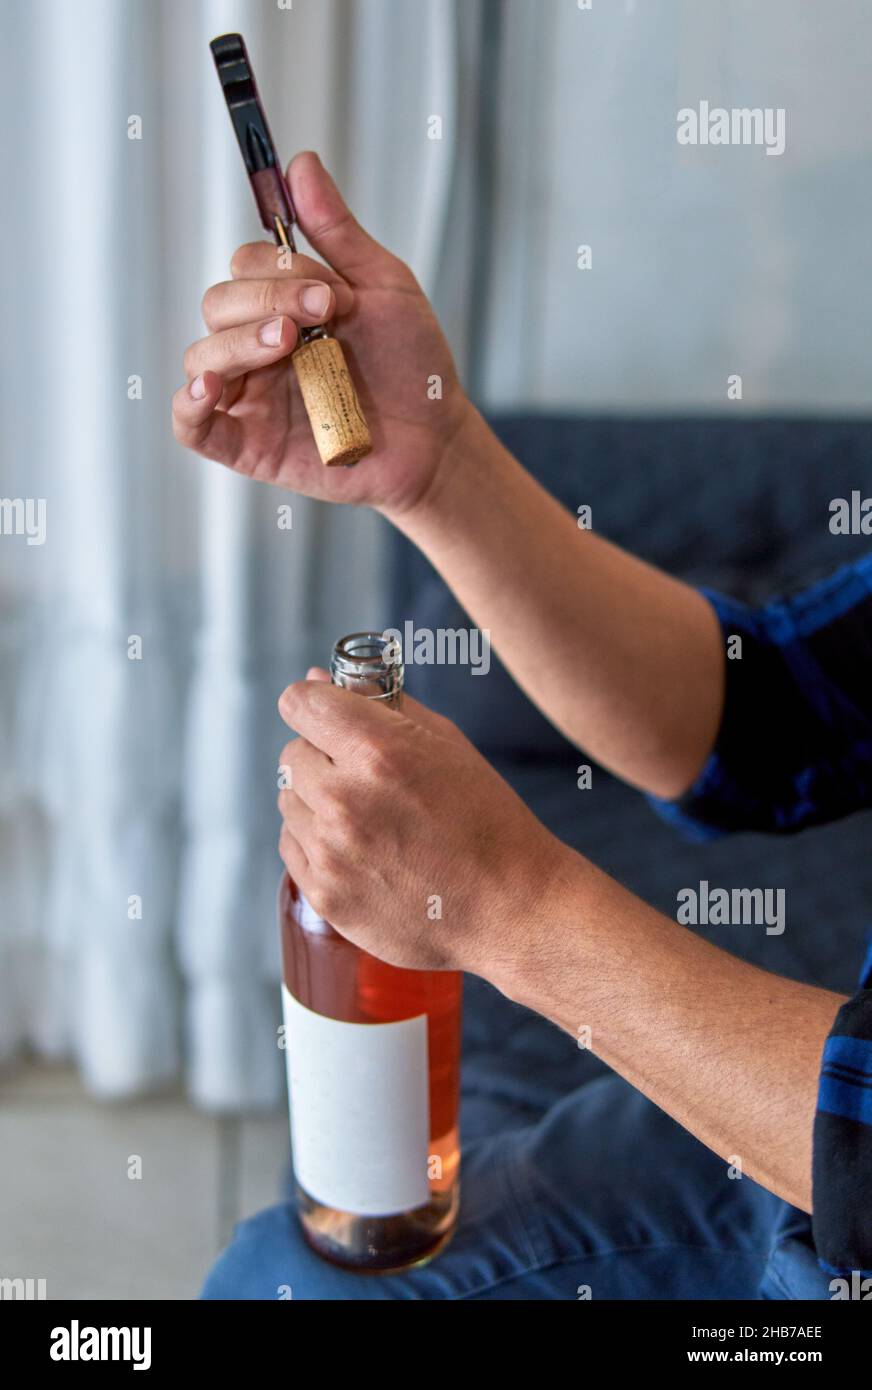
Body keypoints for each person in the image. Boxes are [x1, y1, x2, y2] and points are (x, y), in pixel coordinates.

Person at [173, 152, 872, 1300]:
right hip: (796, 1142)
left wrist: (508, 903)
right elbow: (762, 713)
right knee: (276, 1281)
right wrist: (436, 464)